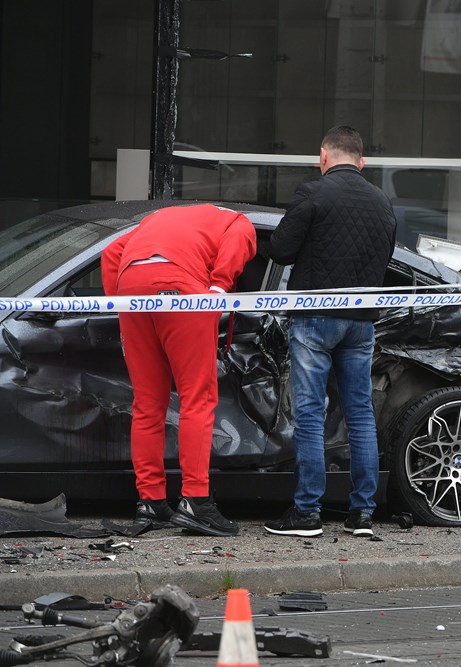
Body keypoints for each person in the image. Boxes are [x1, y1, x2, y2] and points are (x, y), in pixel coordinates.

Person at [263, 125, 396, 539]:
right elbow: (386, 259)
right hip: (361, 322)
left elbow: (281, 250)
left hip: (316, 316)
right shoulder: (382, 203)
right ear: (362, 161)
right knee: (359, 414)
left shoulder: (312, 194)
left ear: (323, 155)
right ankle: (362, 514)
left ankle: (307, 512)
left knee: (309, 413)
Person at [101, 204, 257, 537]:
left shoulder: (157, 219)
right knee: (197, 399)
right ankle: (196, 502)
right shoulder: (236, 220)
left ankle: (151, 502)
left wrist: (121, 304)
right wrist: (217, 288)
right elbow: (240, 240)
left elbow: (113, 252)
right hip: (182, 288)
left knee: (146, 404)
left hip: (133, 287)